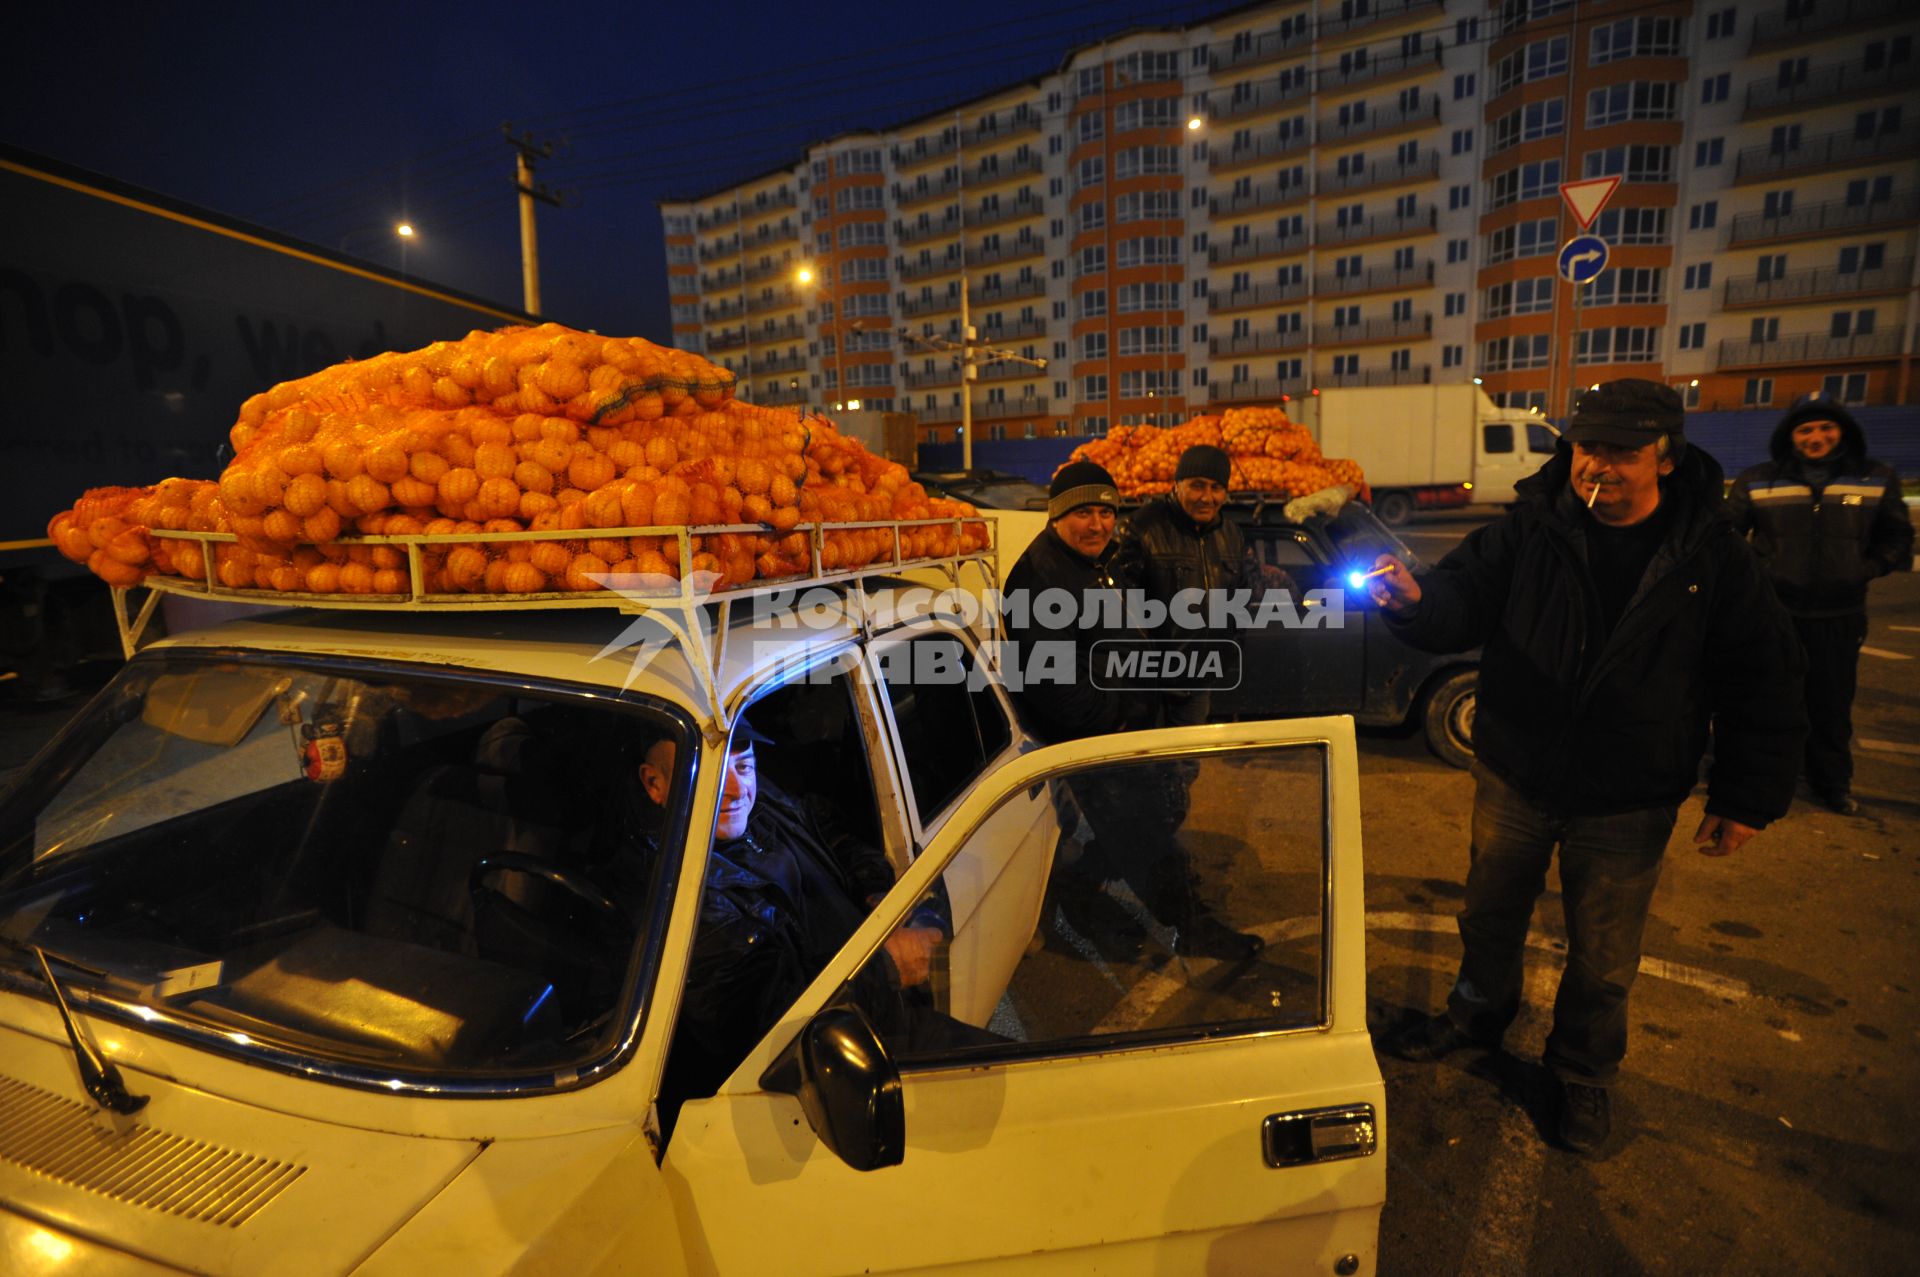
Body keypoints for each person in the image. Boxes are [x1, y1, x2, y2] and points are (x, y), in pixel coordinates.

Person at [1366, 379, 1805, 1155]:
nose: (1596, 466)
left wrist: (1745, 796)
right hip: (1516, 772)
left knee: (1603, 958)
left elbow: (1762, 678)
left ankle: (1583, 1073)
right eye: (1586, 448)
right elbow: (1460, 601)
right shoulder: (1532, 526)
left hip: (1628, 795)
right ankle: (1473, 1020)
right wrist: (1410, 600)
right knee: (1490, 916)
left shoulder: (1713, 554)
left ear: (1665, 460)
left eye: (1621, 451)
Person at [629, 718, 961, 1118]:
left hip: (882, 1003)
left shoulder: (760, 802)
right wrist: (886, 968)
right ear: (655, 784)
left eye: (744, 765)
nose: (736, 789)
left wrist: (873, 889)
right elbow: (778, 1035)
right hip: (846, 1059)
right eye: (713, 771)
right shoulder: (682, 900)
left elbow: (829, 832)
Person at [1003, 460, 1262, 961]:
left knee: (1157, 818)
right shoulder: (1041, 579)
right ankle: (1190, 925)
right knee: (1149, 834)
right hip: (1097, 738)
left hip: (1125, 722)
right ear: (1057, 516)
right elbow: (1056, 687)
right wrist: (1118, 716)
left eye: (1105, 511)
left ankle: (1076, 891)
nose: (1097, 524)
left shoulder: (1097, 562)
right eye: (1083, 513)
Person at [1727, 401, 1914, 815]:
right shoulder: (1759, 480)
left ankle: (1831, 782)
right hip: (1773, 614)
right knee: (1764, 700)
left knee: (1831, 704)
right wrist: (1759, 574)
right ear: (1790, 436)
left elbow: (1898, 537)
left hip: (1840, 614)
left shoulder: (1873, 478)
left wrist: (1864, 569)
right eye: (1805, 430)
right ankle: (1759, 780)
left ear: (1842, 431)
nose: (1815, 438)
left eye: (1825, 428)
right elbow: (1728, 536)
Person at [1111, 443, 1257, 729]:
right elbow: (1119, 609)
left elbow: (1241, 601)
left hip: (1198, 684)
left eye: (1216, 488)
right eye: (1197, 486)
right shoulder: (1142, 528)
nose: (1207, 497)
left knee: (1185, 768)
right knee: (1145, 765)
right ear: (1177, 485)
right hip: (1147, 687)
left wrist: (1226, 652)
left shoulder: (1232, 535)